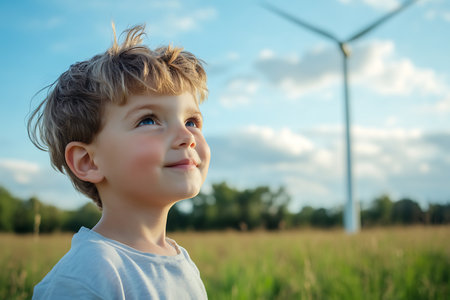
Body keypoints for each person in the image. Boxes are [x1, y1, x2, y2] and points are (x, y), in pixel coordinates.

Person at [27, 23, 210, 299]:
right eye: (148, 120)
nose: (187, 136)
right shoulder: (86, 276)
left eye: (191, 121)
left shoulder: (181, 260)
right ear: (88, 161)